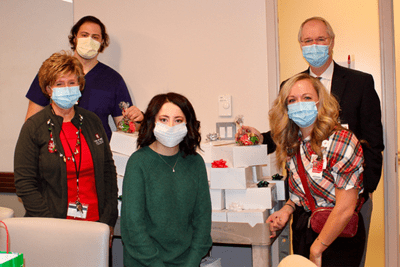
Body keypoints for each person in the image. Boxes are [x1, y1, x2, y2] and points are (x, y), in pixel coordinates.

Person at [239, 17, 383, 266]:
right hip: (307, 207)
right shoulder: (291, 85)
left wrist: (356, 191)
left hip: (346, 201)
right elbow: (286, 133)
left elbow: (374, 142)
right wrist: (259, 138)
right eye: (308, 40)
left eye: (320, 39)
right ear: (300, 45)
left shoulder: (360, 83)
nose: (313, 45)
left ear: (331, 42)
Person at [14, 51, 118, 246]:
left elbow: (108, 171)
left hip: (96, 226)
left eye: (72, 83)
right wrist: (50, 226)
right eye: (59, 84)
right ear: (48, 89)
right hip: (51, 227)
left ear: (80, 86)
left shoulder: (92, 122)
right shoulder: (34, 127)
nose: (67, 88)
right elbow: (24, 184)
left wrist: (108, 220)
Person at [267, 73, 365, 267]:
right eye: (292, 100)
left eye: (307, 98)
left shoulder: (341, 141)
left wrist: (317, 248)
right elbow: (300, 192)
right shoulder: (293, 143)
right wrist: (287, 210)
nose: (299, 104)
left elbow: (345, 208)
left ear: (320, 102)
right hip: (305, 229)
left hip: (338, 233)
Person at [121, 92, 212, 267]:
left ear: (188, 124)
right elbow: (133, 227)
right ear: (152, 122)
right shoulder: (138, 162)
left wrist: (191, 263)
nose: (171, 126)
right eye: (164, 119)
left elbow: (202, 222)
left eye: (178, 120)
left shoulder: (195, 162)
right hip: (145, 262)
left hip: (186, 262)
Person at [25, 15, 143, 141]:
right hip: (56, 149)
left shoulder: (113, 80)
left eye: (95, 37)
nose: (89, 40)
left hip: (97, 151)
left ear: (102, 42)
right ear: (75, 38)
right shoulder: (52, 71)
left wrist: (138, 120)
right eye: (84, 35)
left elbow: (125, 127)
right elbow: (31, 123)